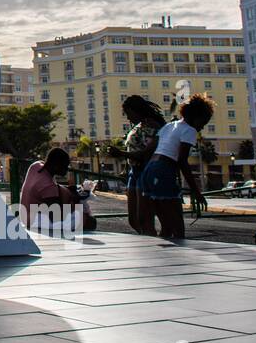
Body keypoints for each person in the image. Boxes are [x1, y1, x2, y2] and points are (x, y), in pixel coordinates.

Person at [138, 94, 213, 240]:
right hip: (163, 170)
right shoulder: (190, 130)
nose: (202, 127)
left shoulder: (169, 126)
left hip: (149, 170)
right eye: (202, 122)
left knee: (166, 226)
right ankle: (181, 257)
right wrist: (196, 191)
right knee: (177, 226)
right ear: (195, 116)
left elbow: (150, 148)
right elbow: (182, 161)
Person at [107, 95, 166, 235]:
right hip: (134, 171)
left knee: (144, 218)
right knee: (134, 219)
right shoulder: (138, 126)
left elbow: (145, 153)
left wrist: (121, 153)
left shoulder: (153, 126)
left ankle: (151, 241)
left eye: (129, 114)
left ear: (136, 110)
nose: (128, 118)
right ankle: (149, 238)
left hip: (145, 171)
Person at [19, 147, 97, 236]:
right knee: (90, 221)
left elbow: (49, 188)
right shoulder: (47, 186)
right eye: (65, 166)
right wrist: (73, 201)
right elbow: (56, 216)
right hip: (36, 221)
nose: (67, 169)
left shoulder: (36, 166)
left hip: (26, 216)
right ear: (56, 166)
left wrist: (66, 191)